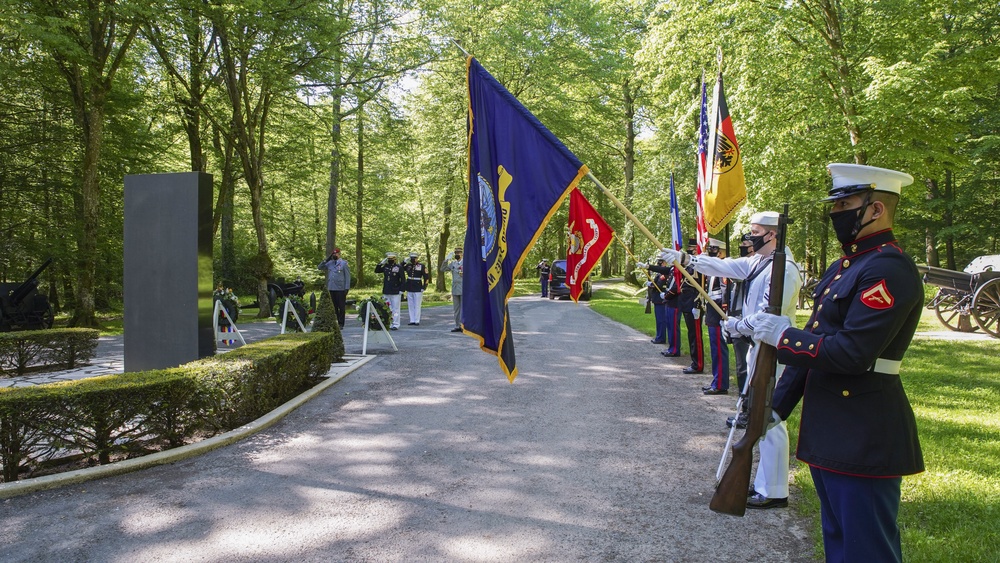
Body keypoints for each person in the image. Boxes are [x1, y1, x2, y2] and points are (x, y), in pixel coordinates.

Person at [748, 164, 923, 562]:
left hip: (863, 430)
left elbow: (850, 352)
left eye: (845, 204)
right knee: (839, 544)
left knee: (867, 550)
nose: (835, 213)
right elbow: (819, 339)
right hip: (831, 426)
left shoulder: (888, 268)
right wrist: (774, 407)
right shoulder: (847, 265)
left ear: (876, 209)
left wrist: (783, 336)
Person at [662, 211, 802, 510]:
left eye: (755, 231)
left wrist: (738, 325)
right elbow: (727, 266)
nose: (749, 237)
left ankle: (774, 490)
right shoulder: (760, 262)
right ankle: (767, 483)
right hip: (757, 347)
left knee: (769, 419)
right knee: (758, 416)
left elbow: (768, 315)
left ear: (772, 235)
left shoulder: (785, 269)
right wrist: (687, 260)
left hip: (772, 350)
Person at [726, 233, 755, 429]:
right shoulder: (743, 265)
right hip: (735, 319)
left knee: (749, 369)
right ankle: (743, 407)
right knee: (740, 367)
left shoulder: (759, 268)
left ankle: (750, 411)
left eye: (746, 244)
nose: (743, 247)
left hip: (750, 324)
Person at [702, 239, 730, 394]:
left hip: (718, 311)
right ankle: (716, 380)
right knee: (715, 348)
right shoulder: (713, 270)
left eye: (715, 250)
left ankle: (720, 384)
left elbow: (725, 291)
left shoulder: (722, 269)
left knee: (719, 348)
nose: (712, 252)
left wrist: (724, 311)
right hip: (712, 311)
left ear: (721, 252)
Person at [678, 238, 705, 374]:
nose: (689, 249)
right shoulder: (689, 266)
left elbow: (700, 286)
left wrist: (697, 304)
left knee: (696, 336)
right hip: (687, 303)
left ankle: (698, 364)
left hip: (694, 303)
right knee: (691, 334)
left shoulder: (697, 265)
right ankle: (694, 362)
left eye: (691, 247)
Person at [318, 247, 351, 329]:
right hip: (331, 288)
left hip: (340, 288)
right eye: (333, 254)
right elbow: (320, 267)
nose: (334, 255)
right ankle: (335, 322)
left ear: (339, 254)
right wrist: (327, 259)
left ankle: (341, 323)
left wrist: (346, 288)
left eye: (336, 254)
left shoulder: (343, 263)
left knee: (341, 307)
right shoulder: (330, 263)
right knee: (333, 307)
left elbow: (347, 276)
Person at [375, 251, 405, 330]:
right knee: (387, 307)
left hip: (395, 290)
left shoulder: (398, 267)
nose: (390, 260)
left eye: (392, 259)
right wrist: (381, 263)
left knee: (395, 308)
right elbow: (377, 270)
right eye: (389, 259)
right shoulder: (385, 266)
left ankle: (396, 324)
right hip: (387, 290)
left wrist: (402, 290)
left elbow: (403, 279)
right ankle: (389, 322)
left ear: (395, 259)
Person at [440, 246, 464, 332]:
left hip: (463, 287)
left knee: (463, 308)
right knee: (456, 309)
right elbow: (442, 269)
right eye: (456, 253)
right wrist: (446, 260)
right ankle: (457, 325)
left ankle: (463, 325)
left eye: (459, 253)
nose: (457, 254)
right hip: (455, 288)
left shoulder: (466, 263)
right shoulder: (453, 263)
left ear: (462, 254)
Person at [403, 252, 431, 325]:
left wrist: (424, 287)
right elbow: (400, 268)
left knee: (417, 304)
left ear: (417, 258)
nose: (413, 260)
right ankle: (412, 320)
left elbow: (426, 277)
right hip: (409, 286)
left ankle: (417, 320)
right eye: (412, 258)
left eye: (414, 258)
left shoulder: (421, 266)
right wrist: (404, 262)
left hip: (418, 286)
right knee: (410, 304)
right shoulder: (408, 265)